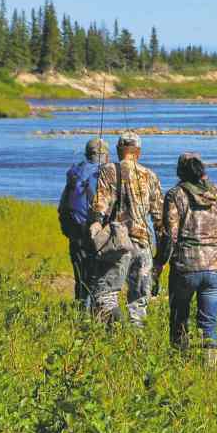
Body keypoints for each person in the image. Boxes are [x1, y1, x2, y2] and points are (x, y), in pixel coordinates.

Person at [154, 153, 217, 368]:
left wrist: (160, 263)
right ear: (202, 170)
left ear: (180, 172)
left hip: (185, 266)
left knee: (179, 318)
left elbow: (171, 235)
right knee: (208, 322)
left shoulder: (175, 194)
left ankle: (178, 364)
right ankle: (209, 368)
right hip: (214, 266)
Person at [88, 131, 163, 326]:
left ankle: (115, 334)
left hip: (117, 243)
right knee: (139, 304)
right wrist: (160, 258)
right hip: (143, 244)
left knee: (105, 296)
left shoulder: (109, 170)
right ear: (138, 152)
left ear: (118, 150)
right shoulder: (150, 175)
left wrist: (96, 223)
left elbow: (100, 203)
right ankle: (136, 344)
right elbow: (158, 218)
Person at [57, 137, 108, 310]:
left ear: (87, 154)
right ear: (104, 155)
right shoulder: (103, 173)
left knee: (80, 277)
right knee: (95, 277)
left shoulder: (75, 173)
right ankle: (92, 318)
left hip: (75, 232)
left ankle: (79, 314)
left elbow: (63, 205)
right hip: (95, 233)